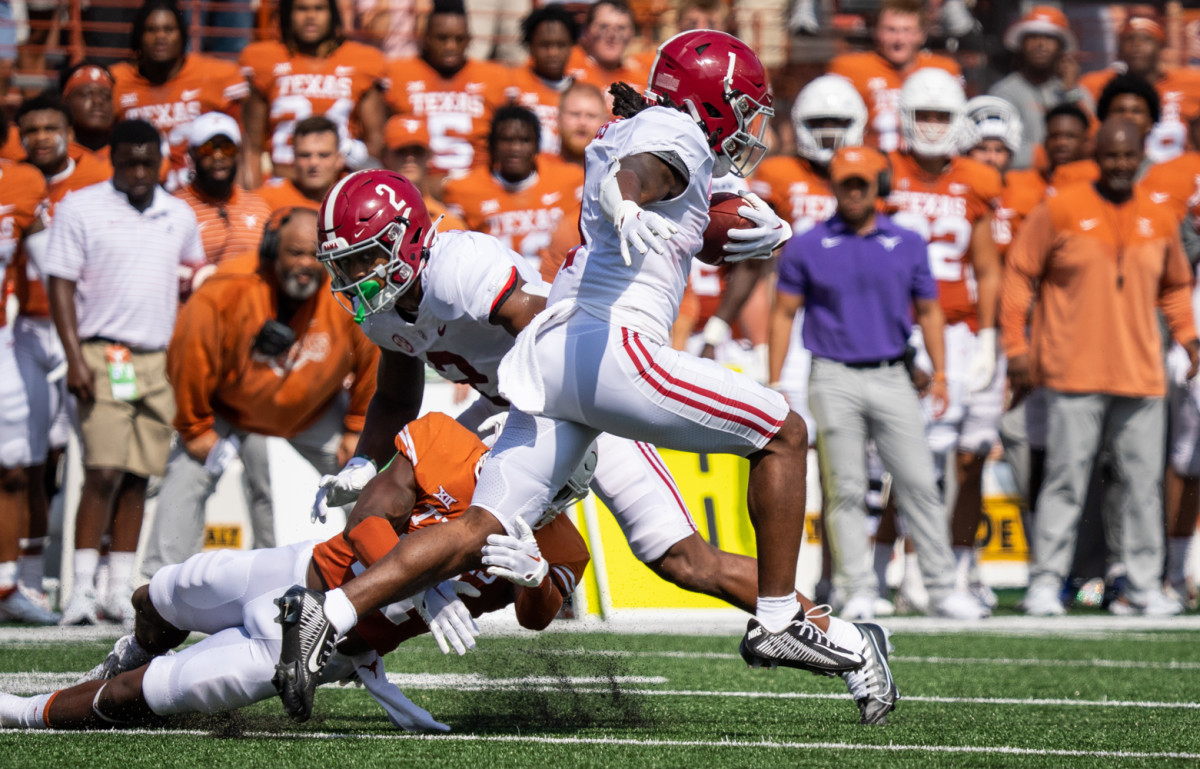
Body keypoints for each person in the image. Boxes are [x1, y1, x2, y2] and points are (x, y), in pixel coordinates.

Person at [279, 32, 896, 728]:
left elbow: (665, 170)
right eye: (742, 107)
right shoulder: (670, 136)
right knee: (783, 430)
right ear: (713, 103)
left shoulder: (648, 128)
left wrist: (702, 207)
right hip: (611, 348)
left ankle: (328, 612)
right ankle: (780, 616)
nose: (751, 123)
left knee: (485, 523)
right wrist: (633, 194)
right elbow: (644, 166)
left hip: (549, 365)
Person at [0, 411, 592, 730]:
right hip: (297, 572)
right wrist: (424, 585)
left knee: (147, 696)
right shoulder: (445, 443)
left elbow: (537, 619)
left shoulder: (559, 543)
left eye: (557, 490)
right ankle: (132, 649)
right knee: (155, 595)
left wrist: (536, 578)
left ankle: (26, 714)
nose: (539, 498)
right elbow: (365, 518)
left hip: (323, 647)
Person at [1001, 118, 1200, 617]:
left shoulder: (1160, 216)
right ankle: (1046, 582)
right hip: (1074, 373)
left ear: (1141, 157)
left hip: (1142, 373)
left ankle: (1143, 585)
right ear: (1097, 155)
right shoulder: (1061, 208)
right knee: (1065, 482)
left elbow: (1175, 285)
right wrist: (1016, 346)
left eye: (1128, 156)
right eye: (1111, 156)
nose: (1120, 165)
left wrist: (1189, 338)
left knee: (1143, 486)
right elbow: (1020, 272)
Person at [770, 144, 970, 625]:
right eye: (846, 183)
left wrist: (940, 372)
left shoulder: (907, 242)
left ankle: (942, 587)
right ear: (835, 187)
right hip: (832, 374)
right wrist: (777, 380)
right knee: (846, 488)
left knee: (920, 481)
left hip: (892, 374)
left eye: (862, 183)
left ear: (877, 186)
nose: (854, 192)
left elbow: (929, 312)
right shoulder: (807, 244)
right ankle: (856, 586)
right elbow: (782, 313)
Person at [139, 207, 379, 578]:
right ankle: (157, 583)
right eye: (294, 253)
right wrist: (196, 427)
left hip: (313, 412)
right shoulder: (225, 289)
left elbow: (373, 355)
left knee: (367, 471)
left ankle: (387, 572)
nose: (305, 264)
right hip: (230, 410)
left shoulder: (342, 288)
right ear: (270, 250)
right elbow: (188, 358)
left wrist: (356, 426)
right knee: (185, 477)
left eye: (314, 255)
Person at [43, 119, 206, 625]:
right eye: (128, 160)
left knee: (139, 476)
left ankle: (119, 588)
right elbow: (60, 284)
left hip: (157, 357)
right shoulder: (81, 206)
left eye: (147, 160)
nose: (138, 170)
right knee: (103, 471)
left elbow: (192, 283)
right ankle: (81, 588)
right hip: (101, 352)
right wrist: (73, 356)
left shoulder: (178, 214)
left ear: (162, 159)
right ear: (112, 158)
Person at [885, 68, 1002, 618]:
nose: (932, 126)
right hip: (893, 328)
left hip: (954, 332)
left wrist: (991, 334)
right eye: (923, 114)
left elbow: (988, 267)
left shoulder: (977, 179)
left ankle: (934, 571)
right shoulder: (884, 171)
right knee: (891, 461)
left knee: (942, 457)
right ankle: (894, 569)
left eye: (941, 116)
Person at [10, 94, 111, 609]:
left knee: (100, 456)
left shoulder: (99, 174)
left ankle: (95, 582)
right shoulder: (17, 180)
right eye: (30, 130)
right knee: (28, 459)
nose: (41, 137)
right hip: (25, 327)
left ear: (69, 130)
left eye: (51, 127)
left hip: (84, 326)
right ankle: (28, 578)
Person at [238, 0, 387, 189]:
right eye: (301, 8)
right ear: (287, 14)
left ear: (332, 13)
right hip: (282, 183)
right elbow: (252, 143)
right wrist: (252, 198)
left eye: (319, 8)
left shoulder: (363, 61)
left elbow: (375, 142)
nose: (310, 16)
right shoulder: (263, 59)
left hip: (342, 185)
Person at [0, 145, 55, 624]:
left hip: (3, 340)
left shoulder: (20, 183)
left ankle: (6, 581)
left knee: (15, 465)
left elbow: (53, 265)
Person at [110, 0, 248, 191]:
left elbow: (240, 145)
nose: (160, 37)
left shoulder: (216, 76)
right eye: (151, 29)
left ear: (182, 35)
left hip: (201, 194)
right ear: (138, 36)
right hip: (138, 194)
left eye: (168, 29)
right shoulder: (116, 82)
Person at [443, 105, 584, 274]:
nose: (515, 149)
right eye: (506, 140)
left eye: (524, 140)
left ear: (537, 145)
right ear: (493, 145)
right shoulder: (463, 189)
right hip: (497, 288)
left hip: (556, 281)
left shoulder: (571, 180)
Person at [384, 0, 512, 176]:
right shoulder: (397, 73)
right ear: (426, 38)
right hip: (417, 182)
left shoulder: (496, 77)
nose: (450, 46)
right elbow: (378, 140)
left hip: (477, 185)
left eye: (458, 39)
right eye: (442, 38)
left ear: (469, 40)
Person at [827, 0, 961, 152]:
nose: (899, 40)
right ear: (876, 31)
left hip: (926, 166)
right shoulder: (848, 68)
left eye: (907, 30)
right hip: (869, 162)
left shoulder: (943, 70)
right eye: (891, 30)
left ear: (922, 35)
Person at [1079, 7, 1200, 165]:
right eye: (1130, 39)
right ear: (1119, 49)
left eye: (1146, 39)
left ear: (1161, 46)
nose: (1137, 45)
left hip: (1178, 171)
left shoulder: (1192, 81)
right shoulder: (1096, 84)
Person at [988, 6, 1090, 171]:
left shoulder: (1076, 91)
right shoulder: (1003, 92)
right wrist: (1052, 155)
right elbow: (996, 151)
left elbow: (1091, 140)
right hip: (1022, 184)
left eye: (1049, 38)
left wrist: (1070, 92)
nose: (1041, 44)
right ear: (1021, 45)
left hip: (1071, 184)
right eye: (1033, 37)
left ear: (1061, 48)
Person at [174, 113, 272, 267]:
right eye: (208, 148)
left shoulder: (259, 207)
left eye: (227, 148)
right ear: (193, 153)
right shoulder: (176, 209)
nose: (218, 155)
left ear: (238, 152)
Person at [507, 5, 580, 155]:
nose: (553, 53)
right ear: (530, 46)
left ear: (572, 46)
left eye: (561, 45)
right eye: (545, 45)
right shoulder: (510, 85)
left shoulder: (584, 93)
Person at [381, 116, 467, 231]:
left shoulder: (449, 224)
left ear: (429, 156)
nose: (410, 158)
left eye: (418, 151)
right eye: (401, 151)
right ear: (385, 156)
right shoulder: (372, 215)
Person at [565, 0, 648, 104]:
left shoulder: (644, 76)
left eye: (621, 28)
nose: (612, 35)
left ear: (632, 33)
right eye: (603, 27)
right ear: (586, 30)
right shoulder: (565, 63)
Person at [256, 117, 346, 211]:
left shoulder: (356, 198)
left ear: (339, 159)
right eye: (305, 155)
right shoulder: (264, 202)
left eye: (323, 155)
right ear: (293, 158)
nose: (313, 163)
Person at [59, 62, 115, 160]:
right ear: (66, 102)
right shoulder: (54, 159)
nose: (98, 101)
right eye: (87, 94)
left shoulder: (123, 157)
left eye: (106, 96)